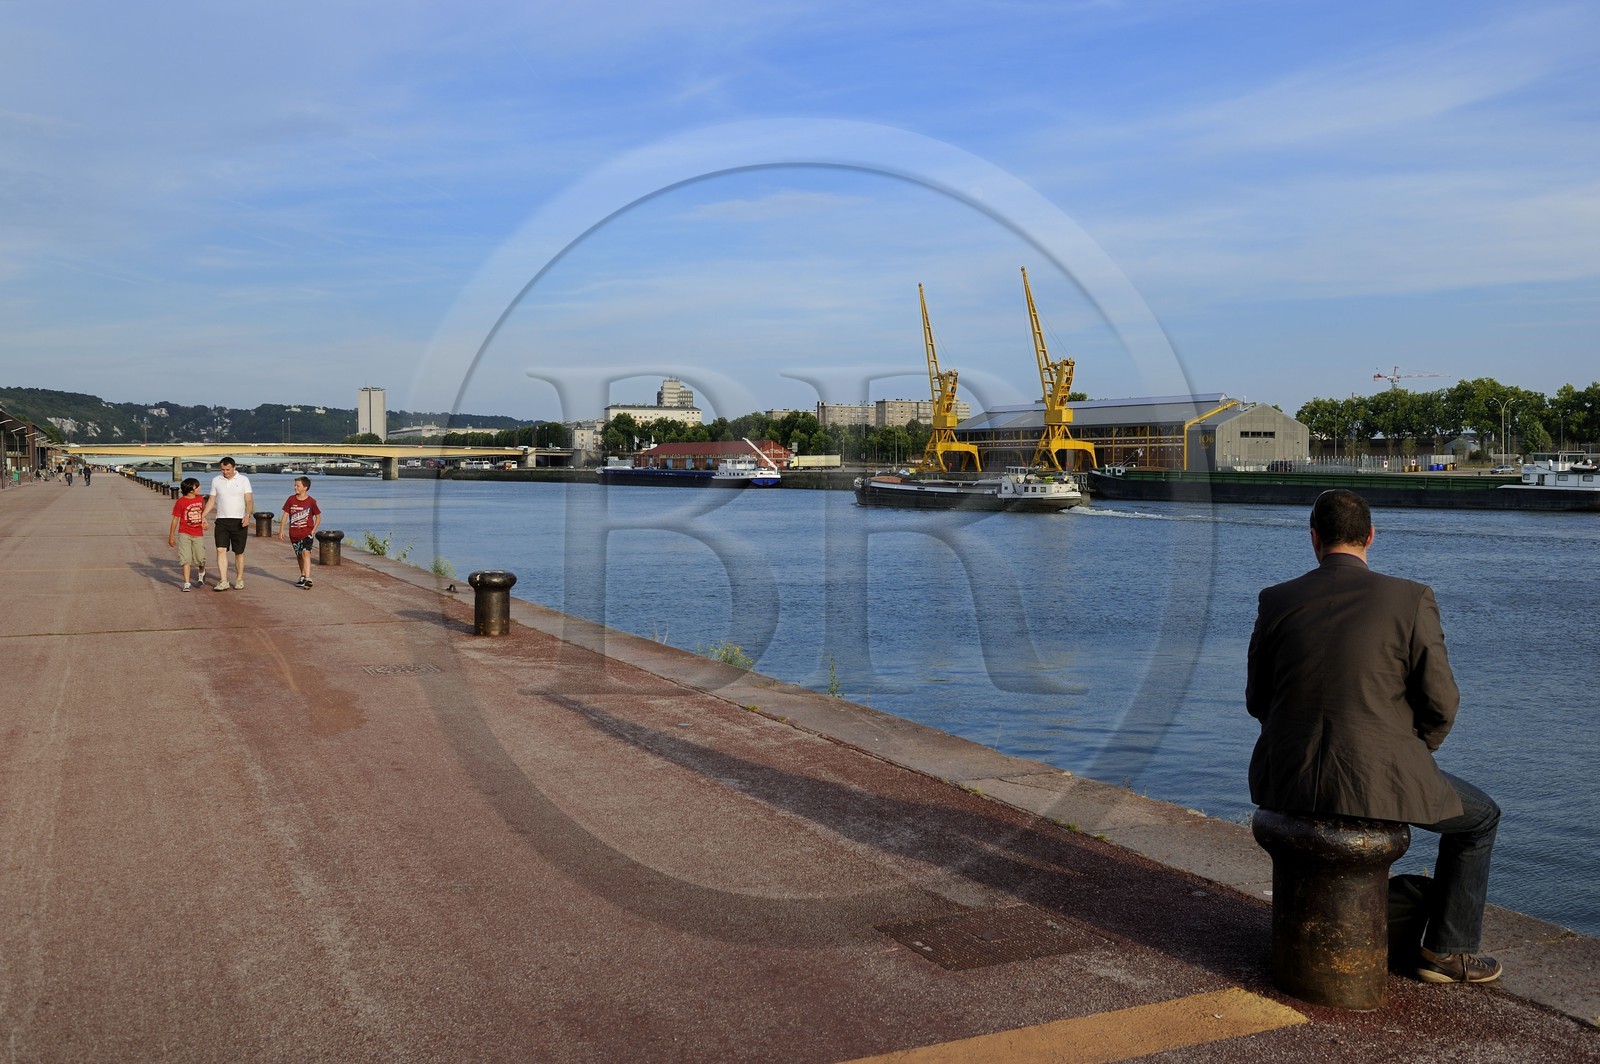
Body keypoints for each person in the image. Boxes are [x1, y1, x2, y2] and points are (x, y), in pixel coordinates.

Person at [1246, 489, 1502, 985]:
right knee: (1479, 820)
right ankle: (1448, 950)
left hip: (1285, 777)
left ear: (1314, 539)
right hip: (1375, 775)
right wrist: (1410, 754)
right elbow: (1441, 702)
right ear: (1370, 537)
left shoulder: (1276, 599)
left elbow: (1259, 701)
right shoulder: (1410, 598)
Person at [202, 457, 254, 591]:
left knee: (239, 552)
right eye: (223, 470)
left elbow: (249, 500)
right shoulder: (216, 480)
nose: (225, 472)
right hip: (222, 520)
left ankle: (239, 579)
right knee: (220, 550)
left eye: (228, 470)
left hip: (239, 520)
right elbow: (212, 500)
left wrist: (248, 515)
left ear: (234, 468)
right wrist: (203, 515)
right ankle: (223, 580)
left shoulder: (243, 480)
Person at [278, 477, 322, 589]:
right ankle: (302, 576)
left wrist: (313, 529)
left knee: (306, 553)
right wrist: (281, 529)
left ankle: (308, 578)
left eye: (298, 486)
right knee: (299, 555)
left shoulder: (311, 501)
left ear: (305, 488)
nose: (295, 487)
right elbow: (285, 515)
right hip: (294, 533)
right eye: (295, 485)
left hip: (307, 532)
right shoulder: (291, 500)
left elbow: (318, 517)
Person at [167, 478, 207, 591]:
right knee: (185, 558)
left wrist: (204, 522)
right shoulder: (181, 502)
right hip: (184, 533)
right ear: (191, 489)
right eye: (197, 486)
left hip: (198, 533)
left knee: (200, 558)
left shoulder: (200, 500)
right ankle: (187, 583)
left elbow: (202, 514)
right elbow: (175, 519)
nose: (200, 488)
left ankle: (202, 572)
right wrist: (171, 536)